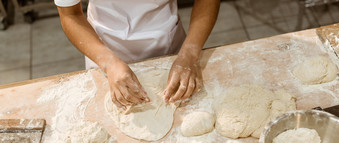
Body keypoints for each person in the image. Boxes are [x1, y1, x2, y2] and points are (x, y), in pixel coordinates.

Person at [55, 0, 220, 109]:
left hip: (168, 44)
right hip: (103, 47)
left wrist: (189, 54)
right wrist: (109, 63)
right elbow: (70, 14)